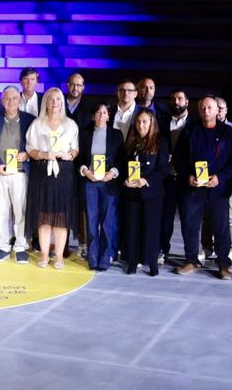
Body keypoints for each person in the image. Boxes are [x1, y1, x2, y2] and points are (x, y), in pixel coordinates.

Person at [174, 96, 232, 279]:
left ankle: (223, 265)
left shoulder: (228, 132)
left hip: (218, 188)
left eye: (210, 108)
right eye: (202, 108)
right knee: (190, 225)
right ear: (198, 109)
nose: (206, 111)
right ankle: (191, 260)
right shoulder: (189, 131)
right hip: (193, 188)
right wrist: (187, 176)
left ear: (217, 110)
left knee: (221, 227)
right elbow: (179, 159)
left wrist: (220, 177)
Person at [25, 89, 79, 269]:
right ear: (45, 103)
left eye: (58, 99)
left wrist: (69, 154)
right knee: (44, 216)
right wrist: (43, 154)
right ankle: (44, 255)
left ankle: (59, 257)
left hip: (63, 174)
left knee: (61, 217)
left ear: (62, 102)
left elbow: (75, 150)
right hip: (42, 173)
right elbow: (30, 149)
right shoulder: (37, 124)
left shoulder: (70, 124)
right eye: (51, 99)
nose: (55, 102)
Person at [0, 87, 34, 264]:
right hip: (0, 172)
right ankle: (3, 247)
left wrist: (27, 155)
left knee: (20, 212)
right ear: (2, 100)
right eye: (7, 98)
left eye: (14, 98)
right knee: (0, 212)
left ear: (19, 100)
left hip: (20, 173)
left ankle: (20, 247)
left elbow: (34, 146)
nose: (11, 101)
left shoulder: (30, 120)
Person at [120, 109, 169, 275]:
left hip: (152, 193)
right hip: (132, 193)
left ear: (152, 123)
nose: (141, 125)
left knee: (151, 228)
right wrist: (126, 179)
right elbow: (123, 165)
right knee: (132, 226)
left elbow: (163, 170)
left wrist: (146, 180)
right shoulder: (131, 141)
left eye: (145, 122)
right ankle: (133, 261)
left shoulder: (160, 141)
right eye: (139, 122)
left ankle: (152, 262)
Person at [77, 101, 123, 271]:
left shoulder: (116, 135)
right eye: (99, 112)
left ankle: (105, 257)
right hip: (90, 182)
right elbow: (80, 159)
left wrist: (112, 173)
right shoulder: (85, 134)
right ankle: (93, 257)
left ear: (109, 116)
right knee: (91, 221)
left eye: (105, 112)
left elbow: (121, 160)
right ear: (93, 116)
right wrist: (85, 171)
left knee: (107, 221)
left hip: (108, 183)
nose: (102, 115)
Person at [159, 89, 190, 263]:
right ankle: (162, 249)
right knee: (165, 218)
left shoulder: (194, 123)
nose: (176, 102)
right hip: (167, 178)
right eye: (173, 99)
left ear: (187, 102)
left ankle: (190, 255)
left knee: (188, 219)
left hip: (187, 178)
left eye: (179, 98)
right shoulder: (162, 122)